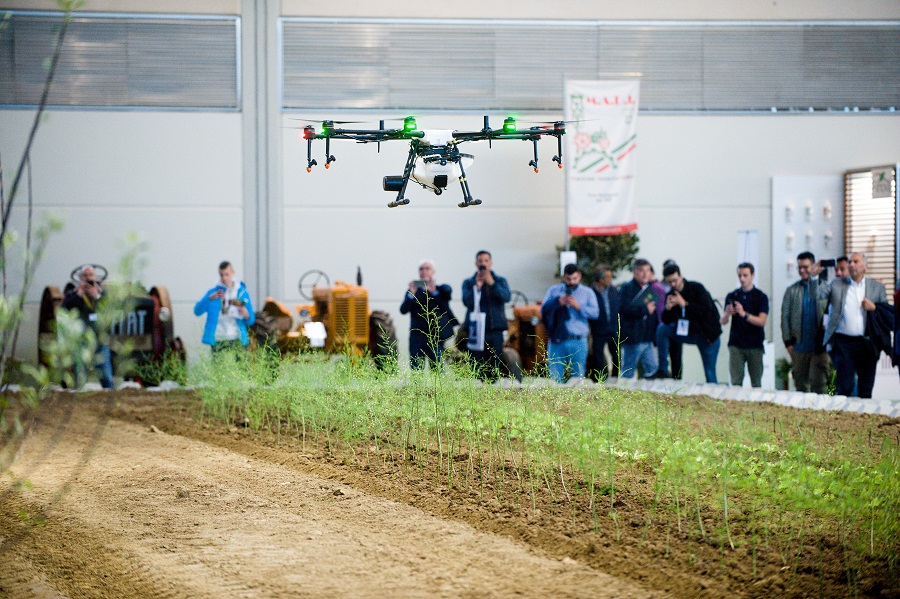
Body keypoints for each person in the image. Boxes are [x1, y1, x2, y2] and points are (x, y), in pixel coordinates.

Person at [823, 252, 888, 398]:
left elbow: (886, 314)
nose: (851, 265)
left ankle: (863, 418)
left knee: (866, 387)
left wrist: (875, 308)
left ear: (865, 266)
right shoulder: (837, 284)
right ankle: (844, 418)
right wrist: (815, 278)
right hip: (844, 342)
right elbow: (818, 295)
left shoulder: (877, 287)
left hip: (868, 342)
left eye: (855, 261)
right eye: (850, 262)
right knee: (845, 386)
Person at [657, 263, 722, 383]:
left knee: (710, 373)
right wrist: (668, 308)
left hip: (707, 336)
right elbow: (666, 321)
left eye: (675, 280)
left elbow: (706, 311)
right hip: (688, 332)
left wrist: (685, 304)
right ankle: (662, 368)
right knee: (662, 329)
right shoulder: (671, 294)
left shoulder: (696, 288)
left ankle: (714, 397)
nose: (673, 284)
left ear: (681, 276)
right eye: (669, 282)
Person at [541, 263, 599, 383]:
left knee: (577, 378)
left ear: (580, 276)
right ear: (563, 277)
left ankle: (576, 401)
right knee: (555, 377)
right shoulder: (553, 291)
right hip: (557, 340)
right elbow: (543, 311)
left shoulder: (587, 293)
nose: (572, 282)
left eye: (575, 278)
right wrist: (557, 303)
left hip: (578, 340)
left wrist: (579, 307)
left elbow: (595, 313)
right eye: (568, 279)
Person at [781, 251, 830, 393]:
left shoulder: (825, 288)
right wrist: (787, 341)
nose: (802, 270)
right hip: (799, 345)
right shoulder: (792, 291)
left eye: (805, 267)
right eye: (799, 267)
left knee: (820, 384)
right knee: (801, 384)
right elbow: (785, 317)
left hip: (819, 346)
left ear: (814, 266)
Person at [62, 265, 114, 389]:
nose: (88, 278)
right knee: (80, 378)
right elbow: (64, 309)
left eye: (91, 275)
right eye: (85, 275)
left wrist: (96, 296)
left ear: (95, 278)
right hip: (81, 342)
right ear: (80, 278)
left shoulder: (103, 294)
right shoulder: (72, 295)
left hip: (99, 342)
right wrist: (79, 295)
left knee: (106, 377)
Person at [461, 250, 511, 381]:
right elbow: (467, 302)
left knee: (494, 365)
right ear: (476, 263)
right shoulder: (469, 282)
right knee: (476, 365)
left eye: (486, 261)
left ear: (490, 263)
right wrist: (476, 288)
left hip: (495, 330)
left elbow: (506, 297)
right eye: (480, 261)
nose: (483, 263)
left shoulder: (499, 281)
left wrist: (492, 284)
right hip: (476, 331)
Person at [399, 259, 457, 369]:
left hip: (435, 336)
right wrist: (412, 294)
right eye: (421, 269)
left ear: (433, 271)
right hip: (417, 336)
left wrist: (433, 291)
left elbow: (444, 306)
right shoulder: (413, 291)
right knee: (416, 368)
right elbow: (403, 310)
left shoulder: (440, 290)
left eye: (427, 268)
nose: (424, 271)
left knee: (437, 369)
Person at [720, 263, 769, 387]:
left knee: (756, 382)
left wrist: (744, 314)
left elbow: (762, 321)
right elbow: (723, 321)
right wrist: (727, 314)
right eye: (740, 275)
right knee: (736, 382)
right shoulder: (732, 296)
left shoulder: (760, 297)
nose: (742, 279)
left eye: (745, 275)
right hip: (736, 344)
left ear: (752, 276)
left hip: (755, 344)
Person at [194, 261, 255, 353]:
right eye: (221, 275)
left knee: (239, 366)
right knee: (218, 365)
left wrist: (246, 315)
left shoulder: (242, 293)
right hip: (218, 337)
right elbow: (197, 311)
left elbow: (251, 320)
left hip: (237, 336)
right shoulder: (213, 293)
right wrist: (209, 299)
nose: (224, 278)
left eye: (227, 274)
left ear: (233, 273)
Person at [618, 258, 659, 379]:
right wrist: (645, 310)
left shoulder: (649, 289)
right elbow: (623, 309)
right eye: (642, 271)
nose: (645, 274)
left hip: (648, 338)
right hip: (633, 338)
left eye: (648, 270)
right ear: (634, 272)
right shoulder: (627, 288)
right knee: (628, 372)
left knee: (653, 370)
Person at [587, 264, 621, 380]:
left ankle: (615, 379)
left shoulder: (613, 290)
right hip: (598, 330)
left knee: (617, 357)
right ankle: (600, 381)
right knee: (598, 359)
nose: (610, 280)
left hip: (613, 329)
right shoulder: (590, 292)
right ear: (600, 279)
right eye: (607, 277)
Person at [654, 261, 682, 379]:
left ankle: (677, 379)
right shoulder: (659, 286)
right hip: (662, 324)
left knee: (676, 355)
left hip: (677, 325)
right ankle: (663, 371)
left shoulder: (679, 287)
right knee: (662, 352)